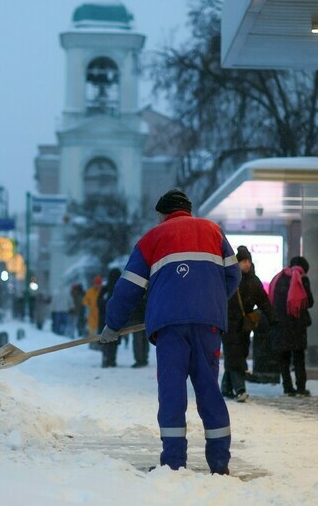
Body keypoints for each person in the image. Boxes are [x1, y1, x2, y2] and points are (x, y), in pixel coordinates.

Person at [100, 189, 240, 475]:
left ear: (163, 214)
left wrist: (113, 325)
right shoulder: (214, 231)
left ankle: (174, 464)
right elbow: (234, 274)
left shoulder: (152, 238)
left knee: (172, 393)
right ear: (188, 209)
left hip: (169, 329)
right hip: (208, 326)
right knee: (209, 391)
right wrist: (209, 303)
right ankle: (219, 465)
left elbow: (128, 289)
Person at [221, 246, 273, 402]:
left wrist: (273, 317)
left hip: (244, 326)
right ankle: (240, 389)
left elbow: (264, 301)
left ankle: (226, 387)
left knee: (237, 355)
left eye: (248, 261)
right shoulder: (230, 279)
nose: (247, 264)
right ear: (237, 263)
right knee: (235, 356)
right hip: (228, 323)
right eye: (244, 261)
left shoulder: (254, 281)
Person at [268, 256, 314, 397]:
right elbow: (309, 302)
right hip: (297, 325)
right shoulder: (302, 279)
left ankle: (287, 387)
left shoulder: (279, 278)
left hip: (281, 324)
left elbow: (273, 300)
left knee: (284, 358)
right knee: (299, 357)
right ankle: (301, 388)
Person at [97, 267, 122, 368]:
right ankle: (112, 359)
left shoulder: (105, 289)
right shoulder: (120, 288)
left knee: (105, 339)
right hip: (116, 318)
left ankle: (106, 358)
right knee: (114, 340)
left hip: (104, 317)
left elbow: (98, 303)